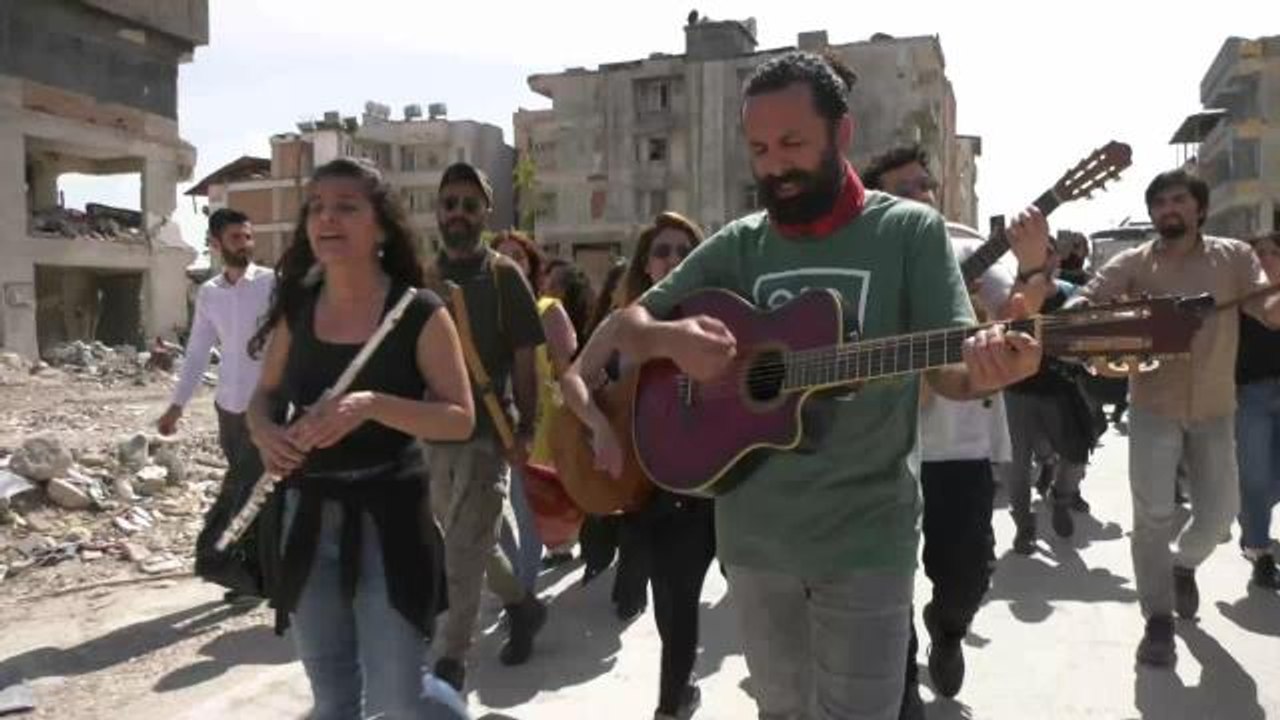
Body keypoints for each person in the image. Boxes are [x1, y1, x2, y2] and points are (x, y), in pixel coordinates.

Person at [607, 52, 1043, 720]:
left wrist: (992, 366)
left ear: (841, 136)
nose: (774, 165)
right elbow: (628, 326)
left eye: (791, 143)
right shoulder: (739, 244)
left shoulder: (908, 232)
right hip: (754, 542)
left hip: (865, 539)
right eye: (758, 148)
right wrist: (673, 342)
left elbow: (950, 368)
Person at [244, 157, 474, 718]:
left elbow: (459, 417)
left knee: (398, 697)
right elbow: (264, 394)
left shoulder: (418, 312)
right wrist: (264, 433)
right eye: (317, 207)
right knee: (333, 698)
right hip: (307, 515)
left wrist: (372, 405)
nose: (328, 218)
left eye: (347, 207)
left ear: (381, 225)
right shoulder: (297, 307)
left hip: (390, 520)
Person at [864, 144, 1052, 716]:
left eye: (925, 184)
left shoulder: (969, 248)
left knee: (966, 574)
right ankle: (899, 682)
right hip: (882, 450)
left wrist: (1035, 265)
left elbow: (1019, 320)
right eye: (903, 189)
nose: (920, 196)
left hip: (961, 447)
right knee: (877, 587)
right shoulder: (863, 257)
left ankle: (947, 629)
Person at [1069, 169, 1280, 667]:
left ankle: (1183, 566)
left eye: (1179, 200)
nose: (1169, 209)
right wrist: (1083, 315)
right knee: (1152, 519)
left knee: (1219, 516)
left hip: (1214, 409)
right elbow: (1089, 298)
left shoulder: (1234, 257)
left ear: (1199, 209)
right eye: (1159, 202)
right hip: (1152, 409)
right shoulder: (1134, 264)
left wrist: (1273, 301)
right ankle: (1157, 619)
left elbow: (1264, 305)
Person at [561, 211, 716, 720]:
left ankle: (669, 704)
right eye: (661, 251)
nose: (672, 259)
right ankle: (682, 688)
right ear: (647, 264)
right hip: (639, 486)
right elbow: (572, 381)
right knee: (667, 601)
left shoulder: (717, 322)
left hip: (697, 490)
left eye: (683, 250)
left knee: (680, 594)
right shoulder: (623, 322)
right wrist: (599, 427)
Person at [426, 163, 548, 692]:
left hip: (485, 437)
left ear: (486, 213)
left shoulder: (504, 277)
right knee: (468, 541)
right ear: (438, 210)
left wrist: (526, 429)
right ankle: (523, 607)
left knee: (460, 557)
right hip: (429, 438)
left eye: (469, 204)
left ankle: (450, 668)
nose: (458, 213)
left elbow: (525, 358)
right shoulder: (423, 279)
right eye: (449, 203)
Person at [158, 208, 275, 605]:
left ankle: (235, 566)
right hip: (229, 407)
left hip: (268, 408)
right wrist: (177, 406)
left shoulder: (273, 285)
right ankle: (253, 576)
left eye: (248, 237)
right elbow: (196, 354)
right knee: (250, 489)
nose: (245, 244)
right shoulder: (209, 294)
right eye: (236, 238)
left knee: (248, 489)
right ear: (215, 243)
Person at [1234, 233, 1280, 590]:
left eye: (1273, 252)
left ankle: (1250, 519)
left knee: (1270, 481)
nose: (1265, 258)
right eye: (1259, 253)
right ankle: (1259, 551)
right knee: (1256, 476)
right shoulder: (1241, 302)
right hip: (1251, 395)